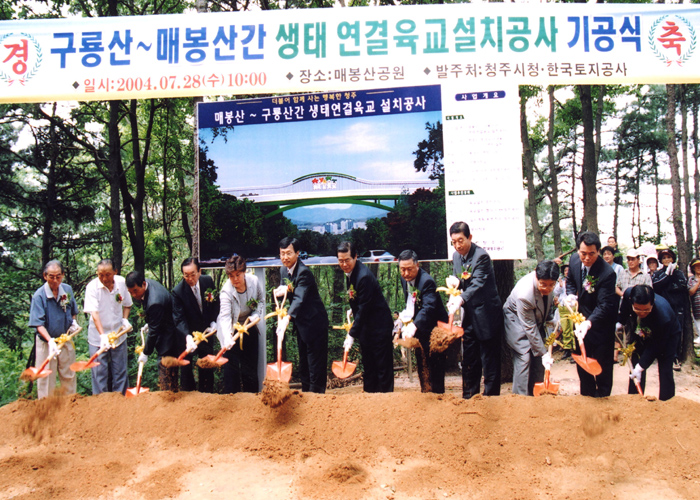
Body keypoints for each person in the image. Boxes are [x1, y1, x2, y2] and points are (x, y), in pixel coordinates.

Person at [447, 221, 504, 398]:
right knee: (469, 357)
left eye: (460, 240)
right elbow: (460, 280)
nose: (457, 245)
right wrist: (453, 289)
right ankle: (469, 396)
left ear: (470, 238)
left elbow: (478, 284)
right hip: (470, 315)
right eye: (453, 242)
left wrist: (461, 299)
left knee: (489, 359)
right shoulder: (457, 257)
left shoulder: (481, 257)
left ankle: (491, 399)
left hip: (487, 315)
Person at [337, 240, 394, 393]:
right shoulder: (351, 274)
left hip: (379, 327)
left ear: (355, 257)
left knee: (382, 368)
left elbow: (364, 309)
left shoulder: (363, 277)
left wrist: (351, 334)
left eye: (347, 260)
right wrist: (352, 308)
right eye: (340, 261)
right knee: (369, 366)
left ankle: (386, 403)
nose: (344, 264)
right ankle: (369, 401)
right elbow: (359, 302)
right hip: (367, 328)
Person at [566, 231, 618, 397]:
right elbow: (570, 281)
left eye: (591, 254)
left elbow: (605, 305)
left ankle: (603, 397)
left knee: (602, 366)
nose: (587, 258)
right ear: (578, 251)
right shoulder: (574, 260)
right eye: (583, 253)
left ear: (598, 251)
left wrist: (589, 323)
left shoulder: (607, 273)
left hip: (601, 325)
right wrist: (571, 295)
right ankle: (587, 397)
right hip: (579, 321)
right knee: (582, 362)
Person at [275, 237, 329, 393]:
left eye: (289, 253)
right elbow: (287, 289)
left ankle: (317, 402)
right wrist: (282, 289)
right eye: (282, 254)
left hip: (315, 324)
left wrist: (287, 318)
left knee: (315, 367)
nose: (285, 257)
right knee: (304, 365)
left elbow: (299, 298)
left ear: (297, 253)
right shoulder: (283, 270)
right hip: (301, 325)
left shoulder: (304, 272)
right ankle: (306, 399)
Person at [503, 261, 559, 396]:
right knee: (524, 355)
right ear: (536, 276)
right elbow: (530, 328)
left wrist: (553, 317)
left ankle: (537, 394)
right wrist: (544, 353)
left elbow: (547, 307)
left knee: (539, 357)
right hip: (516, 320)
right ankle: (520, 398)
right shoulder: (525, 294)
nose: (547, 288)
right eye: (543, 284)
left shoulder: (549, 285)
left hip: (534, 320)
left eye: (551, 285)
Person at [397, 249, 449, 393]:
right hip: (420, 327)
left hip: (435, 329)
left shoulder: (427, 282)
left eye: (409, 269)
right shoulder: (404, 279)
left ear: (417, 265)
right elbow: (410, 302)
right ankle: (425, 394)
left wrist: (414, 325)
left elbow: (429, 308)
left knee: (435, 366)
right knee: (421, 363)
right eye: (402, 269)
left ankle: (438, 396)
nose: (406, 273)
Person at [28, 260, 80, 399]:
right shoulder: (39, 296)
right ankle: (46, 409)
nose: (55, 280)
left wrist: (74, 322)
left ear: (63, 275)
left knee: (69, 374)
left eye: (58, 276)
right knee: (45, 378)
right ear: (45, 276)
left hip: (65, 339)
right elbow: (38, 324)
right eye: (51, 276)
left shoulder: (67, 290)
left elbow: (73, 310)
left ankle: (70, 406)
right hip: (46, 343)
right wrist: (50, 341)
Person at [618, 285, 680, 401]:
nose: (642, 312)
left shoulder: (663, 316)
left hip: (667, 335)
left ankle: (667, 402)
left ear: (652, 303)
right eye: (637, 309)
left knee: (665, 369)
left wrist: (641, 366)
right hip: (640, 328)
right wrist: (620, 322)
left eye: (646, 310)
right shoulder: (628, 294)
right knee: (635, 362)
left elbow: (656, 346)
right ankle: (634, 398)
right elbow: (625, 309)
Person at [82, 259, 133, 395]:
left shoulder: (122, 283)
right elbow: (94, 312)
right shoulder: (92, 287)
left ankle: (121, 403)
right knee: (99, 373)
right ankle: (100, 405)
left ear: (115, 272)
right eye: (100, 275)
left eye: (108, 275)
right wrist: (102, 335)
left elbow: (127, 304)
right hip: (98, 338)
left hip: (118, 334)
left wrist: (125, 319)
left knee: (120, 371)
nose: (104, 278)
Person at [126, 271, 182, 391]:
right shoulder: (148, 284)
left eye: (135, 291)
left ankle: (167, 394)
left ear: (143, 284)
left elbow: (153, 332)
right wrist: (150, 320)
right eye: (130, 292)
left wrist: (146, 353)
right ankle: (172, 392)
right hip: (164, 324)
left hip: (169, 335)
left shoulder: (154, 302)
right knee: (169, 368)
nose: (133, 295)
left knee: (164, 364)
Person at [218, 255, 265, 393]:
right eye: (231, 276)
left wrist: (255, 315)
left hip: (249, 326)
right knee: (231, 370)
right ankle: (232, 402)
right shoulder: (226, 291)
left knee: (250, 369)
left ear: (244, 272)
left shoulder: (254, 281)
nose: (235, 279)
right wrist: (227, 338)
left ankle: (251, 400)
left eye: (238, 275)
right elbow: (225, 317)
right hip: (231, 329)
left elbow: (261, 300)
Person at [172, 257, 220, 393]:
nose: (190, 278)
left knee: (206, 365)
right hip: (187, 335)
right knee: (186, 369)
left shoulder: (207, 281)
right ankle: (188, 397)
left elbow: (216, 303)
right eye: (186, 275)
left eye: (193, 274)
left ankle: (207, 395)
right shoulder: (178, 292)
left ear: (199, 271)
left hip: (206, 331)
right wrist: (187, 337)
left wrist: (214, 322)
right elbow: (179, 318)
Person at [652, 248, 687, 371]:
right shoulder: (658, 273)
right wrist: (667, 276)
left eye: (669, 257)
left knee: (677, 332)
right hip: (663, 309)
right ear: (661, 260)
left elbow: (682, 287)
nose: (667, 260)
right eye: (664, 258)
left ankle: (675, 356)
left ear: (673, 259)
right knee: (663, 332)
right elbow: (656, 286)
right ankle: (662, 355)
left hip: (678, 307)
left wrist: (672, 276)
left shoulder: (679, 273)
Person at [687, 257, 700, 346]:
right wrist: (698, 282)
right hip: (697, 310)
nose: (698, 268)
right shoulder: (691, 280)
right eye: (696, 266)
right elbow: (690, 292)